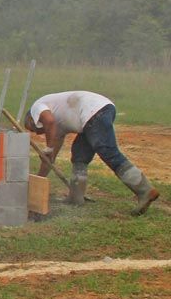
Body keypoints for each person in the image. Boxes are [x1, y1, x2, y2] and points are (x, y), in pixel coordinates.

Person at [24, 90, 159, 215]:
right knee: (79, 154)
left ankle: (144, 190)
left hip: (94, 111)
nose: (35, 132)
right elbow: (49, 159)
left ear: (31, 118)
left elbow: (49, 122)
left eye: (31, 128)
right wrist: (39, 179)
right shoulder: (56, 129)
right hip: (95, 113)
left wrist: (48, 148)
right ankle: (76, 197)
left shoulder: (37, 106)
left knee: (108, 152)